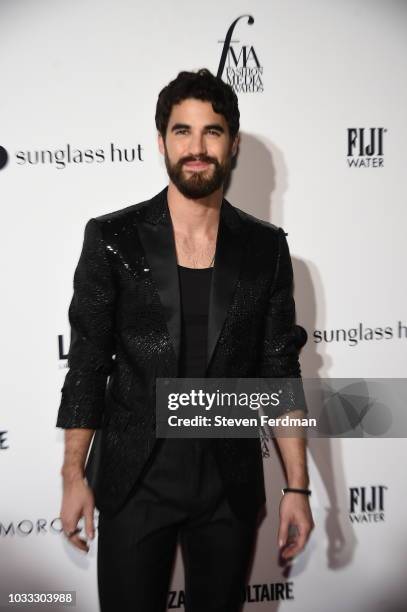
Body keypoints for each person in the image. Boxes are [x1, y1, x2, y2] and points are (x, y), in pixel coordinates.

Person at [56, 68, 314, 612]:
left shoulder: (266, 248)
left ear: (233, 143)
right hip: (134, 482)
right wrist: (73, 476)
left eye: (212, 132)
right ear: (161, 141)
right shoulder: (112, 238)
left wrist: (298, 487)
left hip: (229, 484)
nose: (196, 148)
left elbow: (278, 372)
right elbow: (86, 366)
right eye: (182, 131)